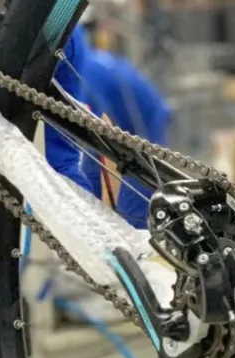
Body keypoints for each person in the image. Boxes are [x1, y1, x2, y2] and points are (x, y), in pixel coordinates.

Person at [48, 25, 173, 228]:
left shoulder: (81, 73)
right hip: (142, 110)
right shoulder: (83, 60)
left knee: (140, 183)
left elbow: (94, 133)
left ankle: (138, 238)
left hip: (146, 118)